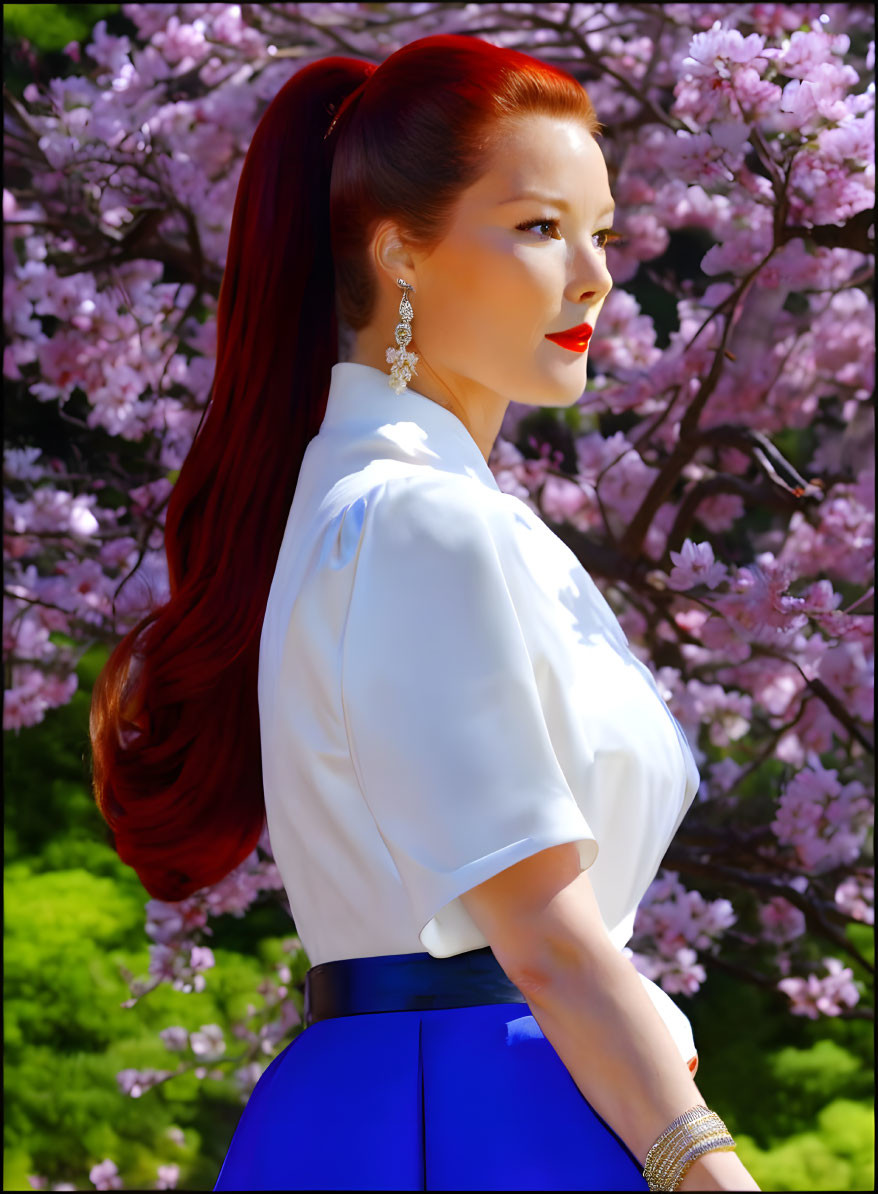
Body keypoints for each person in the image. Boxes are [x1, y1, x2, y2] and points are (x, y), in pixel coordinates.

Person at [89, 33, 762, 1193]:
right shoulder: (414, 520)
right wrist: (704, 1168)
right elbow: (546, 943)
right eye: (541, 229)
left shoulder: (378, 505)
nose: (596, 276)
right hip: (478, 1109)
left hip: (422, 1099)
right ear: (400, 253)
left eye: (599, 233)